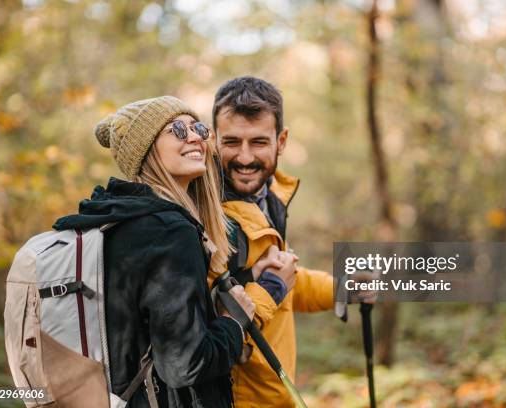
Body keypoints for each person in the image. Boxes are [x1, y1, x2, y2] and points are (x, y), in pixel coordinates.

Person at [53, 96, 255, 407]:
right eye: (175, 129)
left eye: (198, 127)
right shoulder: (170, 232)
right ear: (145, 151)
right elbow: (185, 365)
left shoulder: (116, 222)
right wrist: (232, 323)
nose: (194, 137)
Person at [210, 77, 335, 407]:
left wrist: (342, 288)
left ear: (281, 140)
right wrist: (270, 287)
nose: (246, 157)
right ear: (213, 140)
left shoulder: (270, 201)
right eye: (232, 142)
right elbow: (208, 322)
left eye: (259, 142)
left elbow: (284, 282)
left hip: (275, 397)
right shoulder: (209, 216)